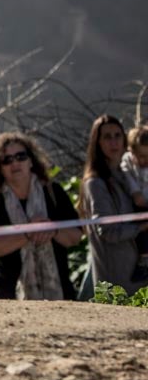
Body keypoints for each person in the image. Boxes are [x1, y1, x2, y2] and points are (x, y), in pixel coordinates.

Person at [0, 132, 83, 300]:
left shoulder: (54, 192)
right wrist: (27, 234)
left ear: (31, 161)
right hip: (6, 297)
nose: (15, 163)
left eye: (21, 156)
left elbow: (76, 236)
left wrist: (52, 230)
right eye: (7, 160)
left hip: (59, 295)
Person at [80, 115, 148, 292]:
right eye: (107, 137)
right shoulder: (95, 183)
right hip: (114, 280)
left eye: (118, 135)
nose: (114, 142)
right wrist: (142, 227)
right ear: (98, 143)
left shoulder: (128, 176)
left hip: (139, 277)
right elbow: (107, 232)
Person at [120, 125, 148, 279]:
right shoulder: (127, 161)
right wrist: (135, 191)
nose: (144, 160)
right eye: (141, 156)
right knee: (140, 231)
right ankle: (144, 259)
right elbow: (127, 176)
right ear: (131, 151)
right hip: (137, 204)